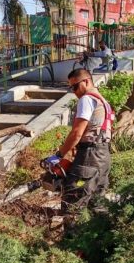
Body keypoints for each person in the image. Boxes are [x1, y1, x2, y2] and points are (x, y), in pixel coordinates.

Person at [43, 68, 115, 213]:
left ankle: (72, 235)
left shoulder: (87, 99)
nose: (74, 91)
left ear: (86, 81)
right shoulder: (103, 101)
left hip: (89, 156)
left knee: (73, 200)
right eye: (71, 87)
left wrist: (58, 156)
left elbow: (76, 133)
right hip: (103, 156)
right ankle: (95, 235)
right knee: (96, 204)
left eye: (75, 86)